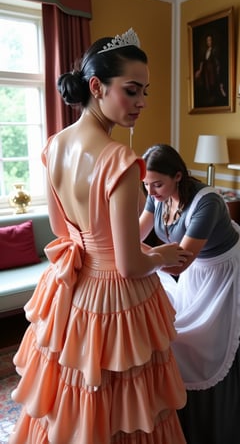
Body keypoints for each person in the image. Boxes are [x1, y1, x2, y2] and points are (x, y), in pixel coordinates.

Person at [8, 30, 191, 444]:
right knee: (127, 407)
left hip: (73, 294)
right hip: (116, 300)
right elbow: (129, 265)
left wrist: (106, 247)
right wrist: (162, 255)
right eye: (131, 90)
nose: (142, 102)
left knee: (73, 397)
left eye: (145, 91)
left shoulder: (54, 145)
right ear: (96, 87)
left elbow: (60, 229)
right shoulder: (120, 161)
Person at [139, 143, 240, 444]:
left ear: (178, 176)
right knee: (185, 344)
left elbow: (181, 262)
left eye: (157, 184)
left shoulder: (207, 202)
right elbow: (136, 233)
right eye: (146, 184)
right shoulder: (155, 195)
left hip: (233, 275)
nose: (151, 192)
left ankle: (227, 422)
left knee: (218, 351)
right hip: (198, 275)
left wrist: (141, 259)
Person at [194, 33, 227, 108]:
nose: (209, 42)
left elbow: (217, 61)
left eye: (210, 40)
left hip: (212, 70)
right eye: (208, 40)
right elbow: (202, 61)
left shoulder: (214, 50)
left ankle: (214, 95)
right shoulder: (206, 51)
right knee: (207, 83)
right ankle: (208, 96)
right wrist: (200, 70)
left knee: (212, 82)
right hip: (206, 71)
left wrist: (217, 68)